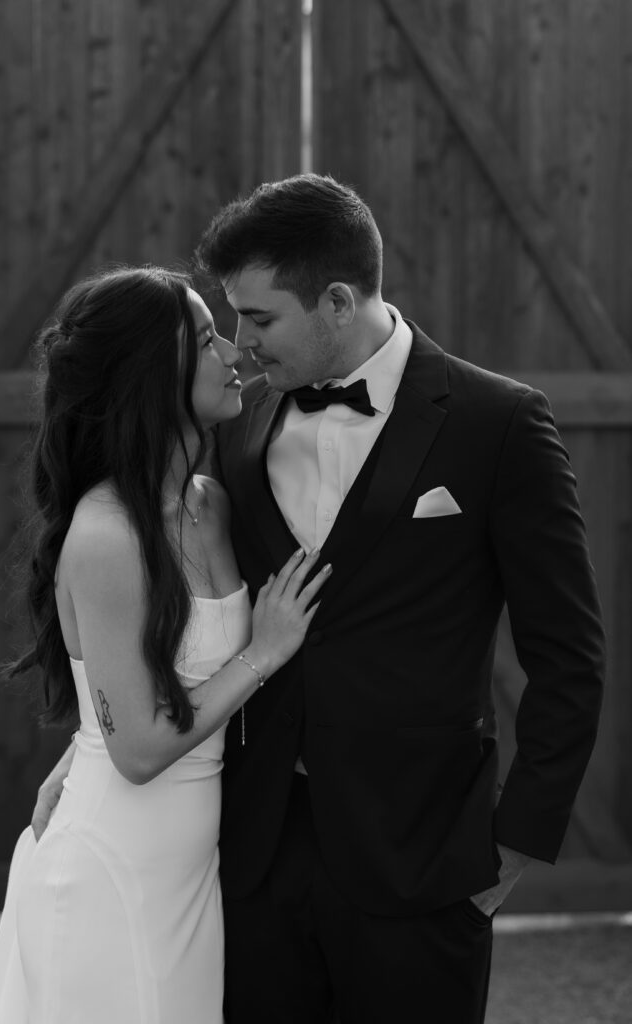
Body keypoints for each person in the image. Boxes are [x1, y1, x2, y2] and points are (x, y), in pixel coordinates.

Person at [191, 173, 606, 1024]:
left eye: (258, 318)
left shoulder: (498, 424)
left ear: (337, 301)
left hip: (424, 855)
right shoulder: (235, 429)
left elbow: (567, 651)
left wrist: (519, 838)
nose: (239, 343)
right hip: (256, 852)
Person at [0, 266, 331, 1024]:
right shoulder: (106, 537)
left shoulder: (212, 504)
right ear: (150, 375)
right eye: (205, 339)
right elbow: (137, 748)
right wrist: (261, 653)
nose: (232, 353)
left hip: (191, 874)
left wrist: (81, 745)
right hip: (114, 867)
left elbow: (130, 692)